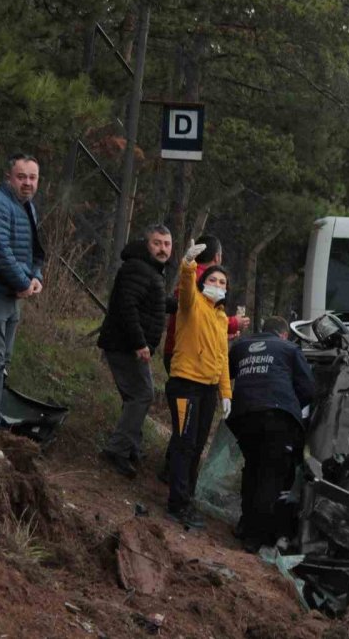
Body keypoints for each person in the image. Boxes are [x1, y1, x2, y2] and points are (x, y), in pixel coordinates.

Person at [227, 316, 314, 551]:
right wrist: (291, 405)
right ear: (284, 334)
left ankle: (245, 525)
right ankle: (256, 537)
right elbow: (308, 388)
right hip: (277, 419)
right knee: (271, 474)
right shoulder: (289, 348)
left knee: (253, 467)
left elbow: (225, 374)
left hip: (243, 416)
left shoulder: (241, 346)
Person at [164, 240, 232, 529]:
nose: (217, 284)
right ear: (204, 282)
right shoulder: (191, 306)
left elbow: (223, 357)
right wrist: (188, 264)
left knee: (196, 446)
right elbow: (188, 286)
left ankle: (186, 497)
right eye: (213, 279)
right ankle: (177, 503)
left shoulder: (221, 317)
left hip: (206, 390)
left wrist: (225, 392)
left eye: (222, 281)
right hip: (185, 384)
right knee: (184, 443)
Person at [97, 225, 173, 477]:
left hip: (128, 345)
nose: (163, 249)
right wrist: (140, 343)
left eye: (167, 244)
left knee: (136, 395)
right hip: (125, 345)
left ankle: (131, 447)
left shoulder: (149, 270)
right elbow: (126, 306)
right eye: (157, 243)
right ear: (146, 243)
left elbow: (157, 301)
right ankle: (117, 450)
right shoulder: (137, 268)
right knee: (141, 395)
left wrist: (188, 303)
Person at [0, 154, 44, 430]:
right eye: (21, 176)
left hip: (13, 295)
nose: (27, 182)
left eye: (32, 177)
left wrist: (34, 276)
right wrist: (23, 282)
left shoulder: (27, 206)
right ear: (9, 178)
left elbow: (34, 250)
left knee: (4, 359)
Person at [162, 234, 249, 373]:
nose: (217, 284)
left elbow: (203, 325)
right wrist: (233, 323)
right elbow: (203, 317)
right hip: (189, 356)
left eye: (221, 282)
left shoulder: (188, 275)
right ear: (217, 257)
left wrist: (221, 333)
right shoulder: (201, 280)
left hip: (176, 349)